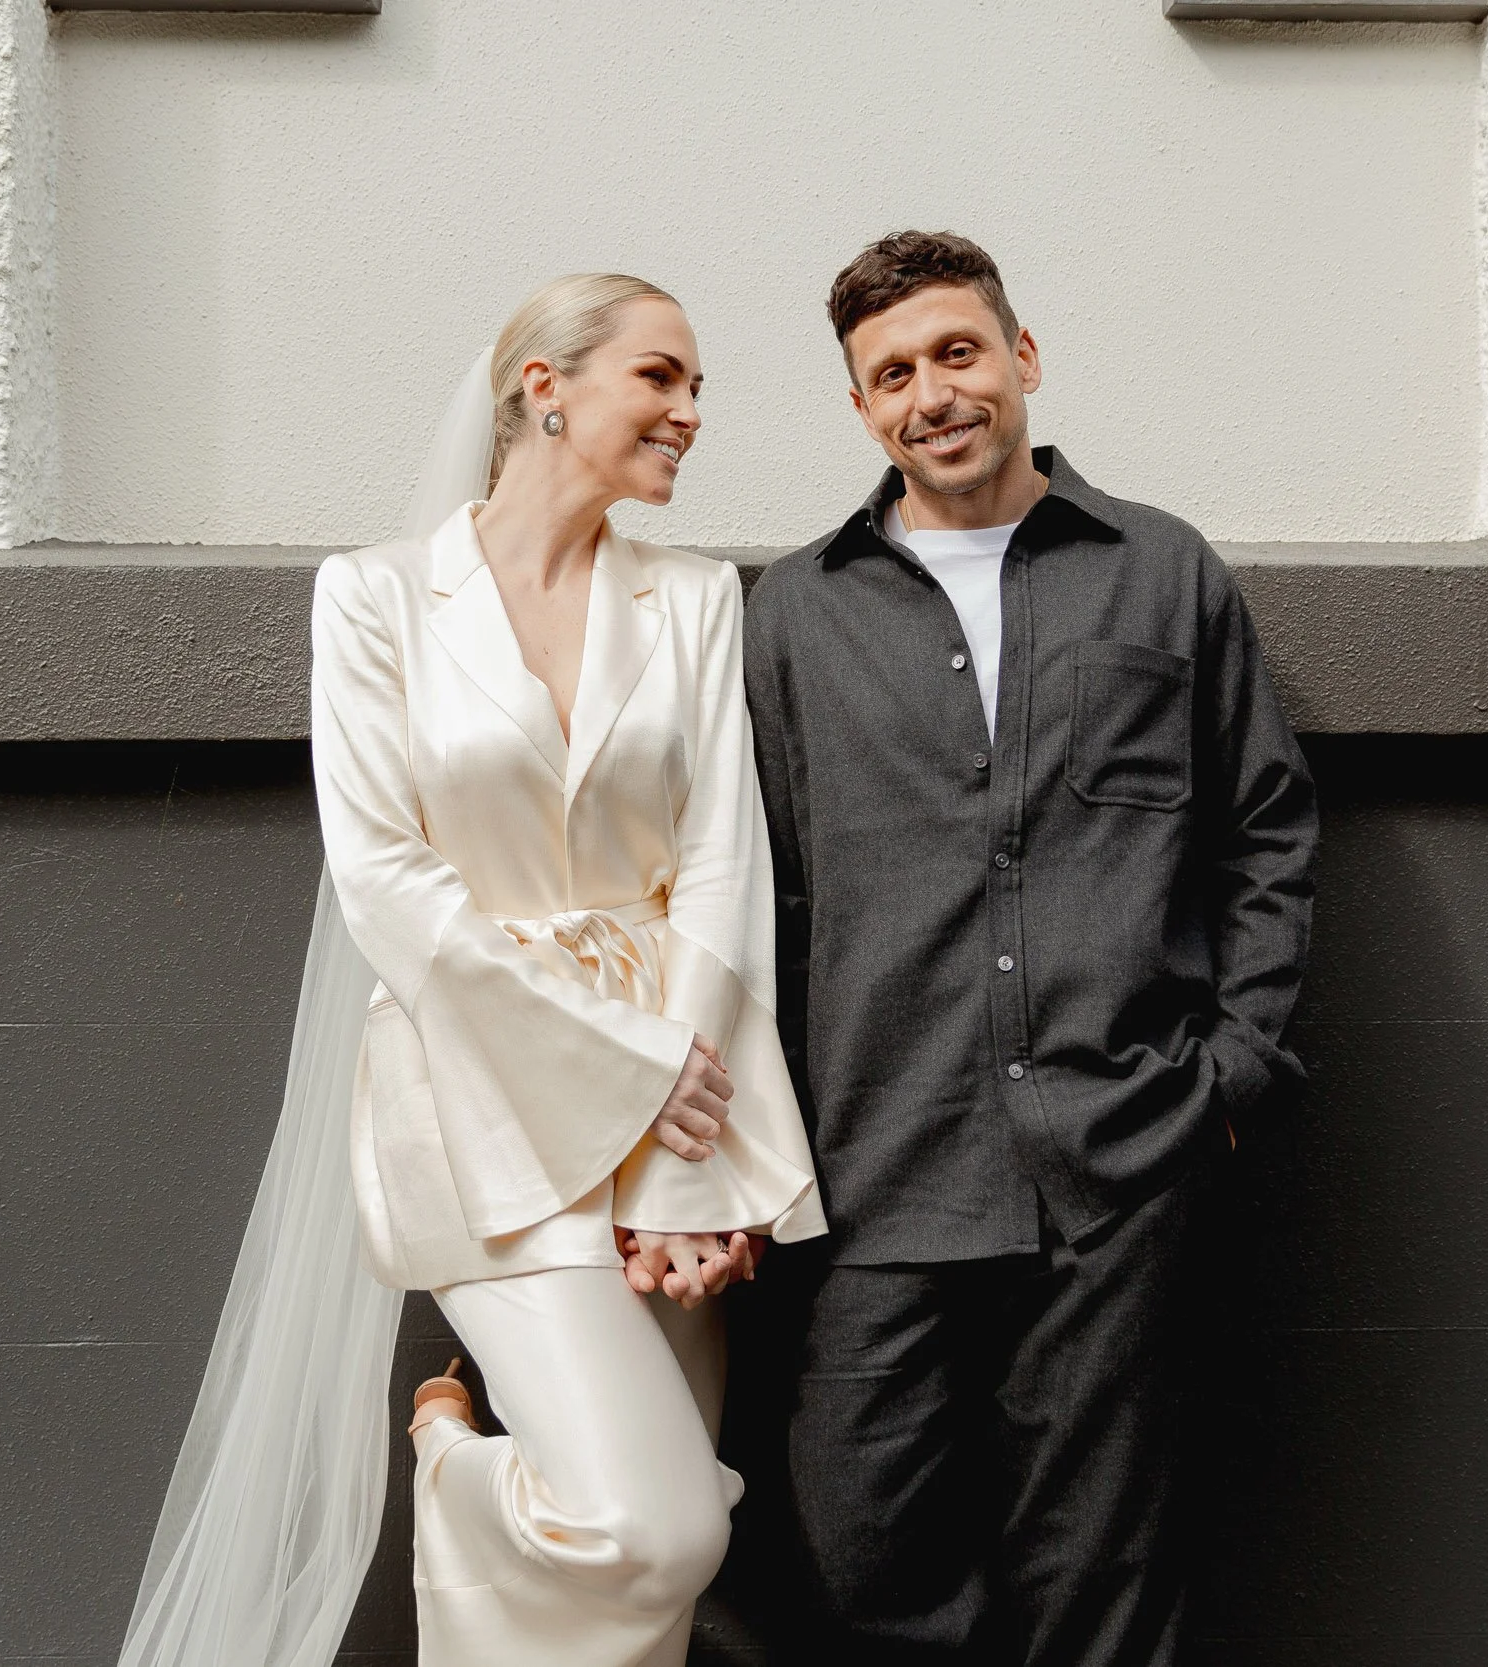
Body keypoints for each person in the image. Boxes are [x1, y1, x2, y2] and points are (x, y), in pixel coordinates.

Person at [116, 275, 825, 1667]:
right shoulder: (374, 598)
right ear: (545, 387)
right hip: (480, 1098)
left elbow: (721, 866)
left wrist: (683, 1163)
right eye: (660, 377)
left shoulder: (692, 598)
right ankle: (454, 1469)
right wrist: (629, 1076)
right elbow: (389, 881)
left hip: (680, 1094)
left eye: (698, 388)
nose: (690, 412)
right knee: (661, 1526)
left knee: (651, 1576)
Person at [740, 230, 1318, 1664]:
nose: (932, 394)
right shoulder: (796, 612)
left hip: (1118, 1163)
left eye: (958, 353)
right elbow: (762, 891)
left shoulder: (1161, 571)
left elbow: (1263, 830)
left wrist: (1233, 1075)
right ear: (860, 407)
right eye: (892, 374)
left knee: (1099, 1576)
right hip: (882, 1164)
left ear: (1023, 358)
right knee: (860, 1549)